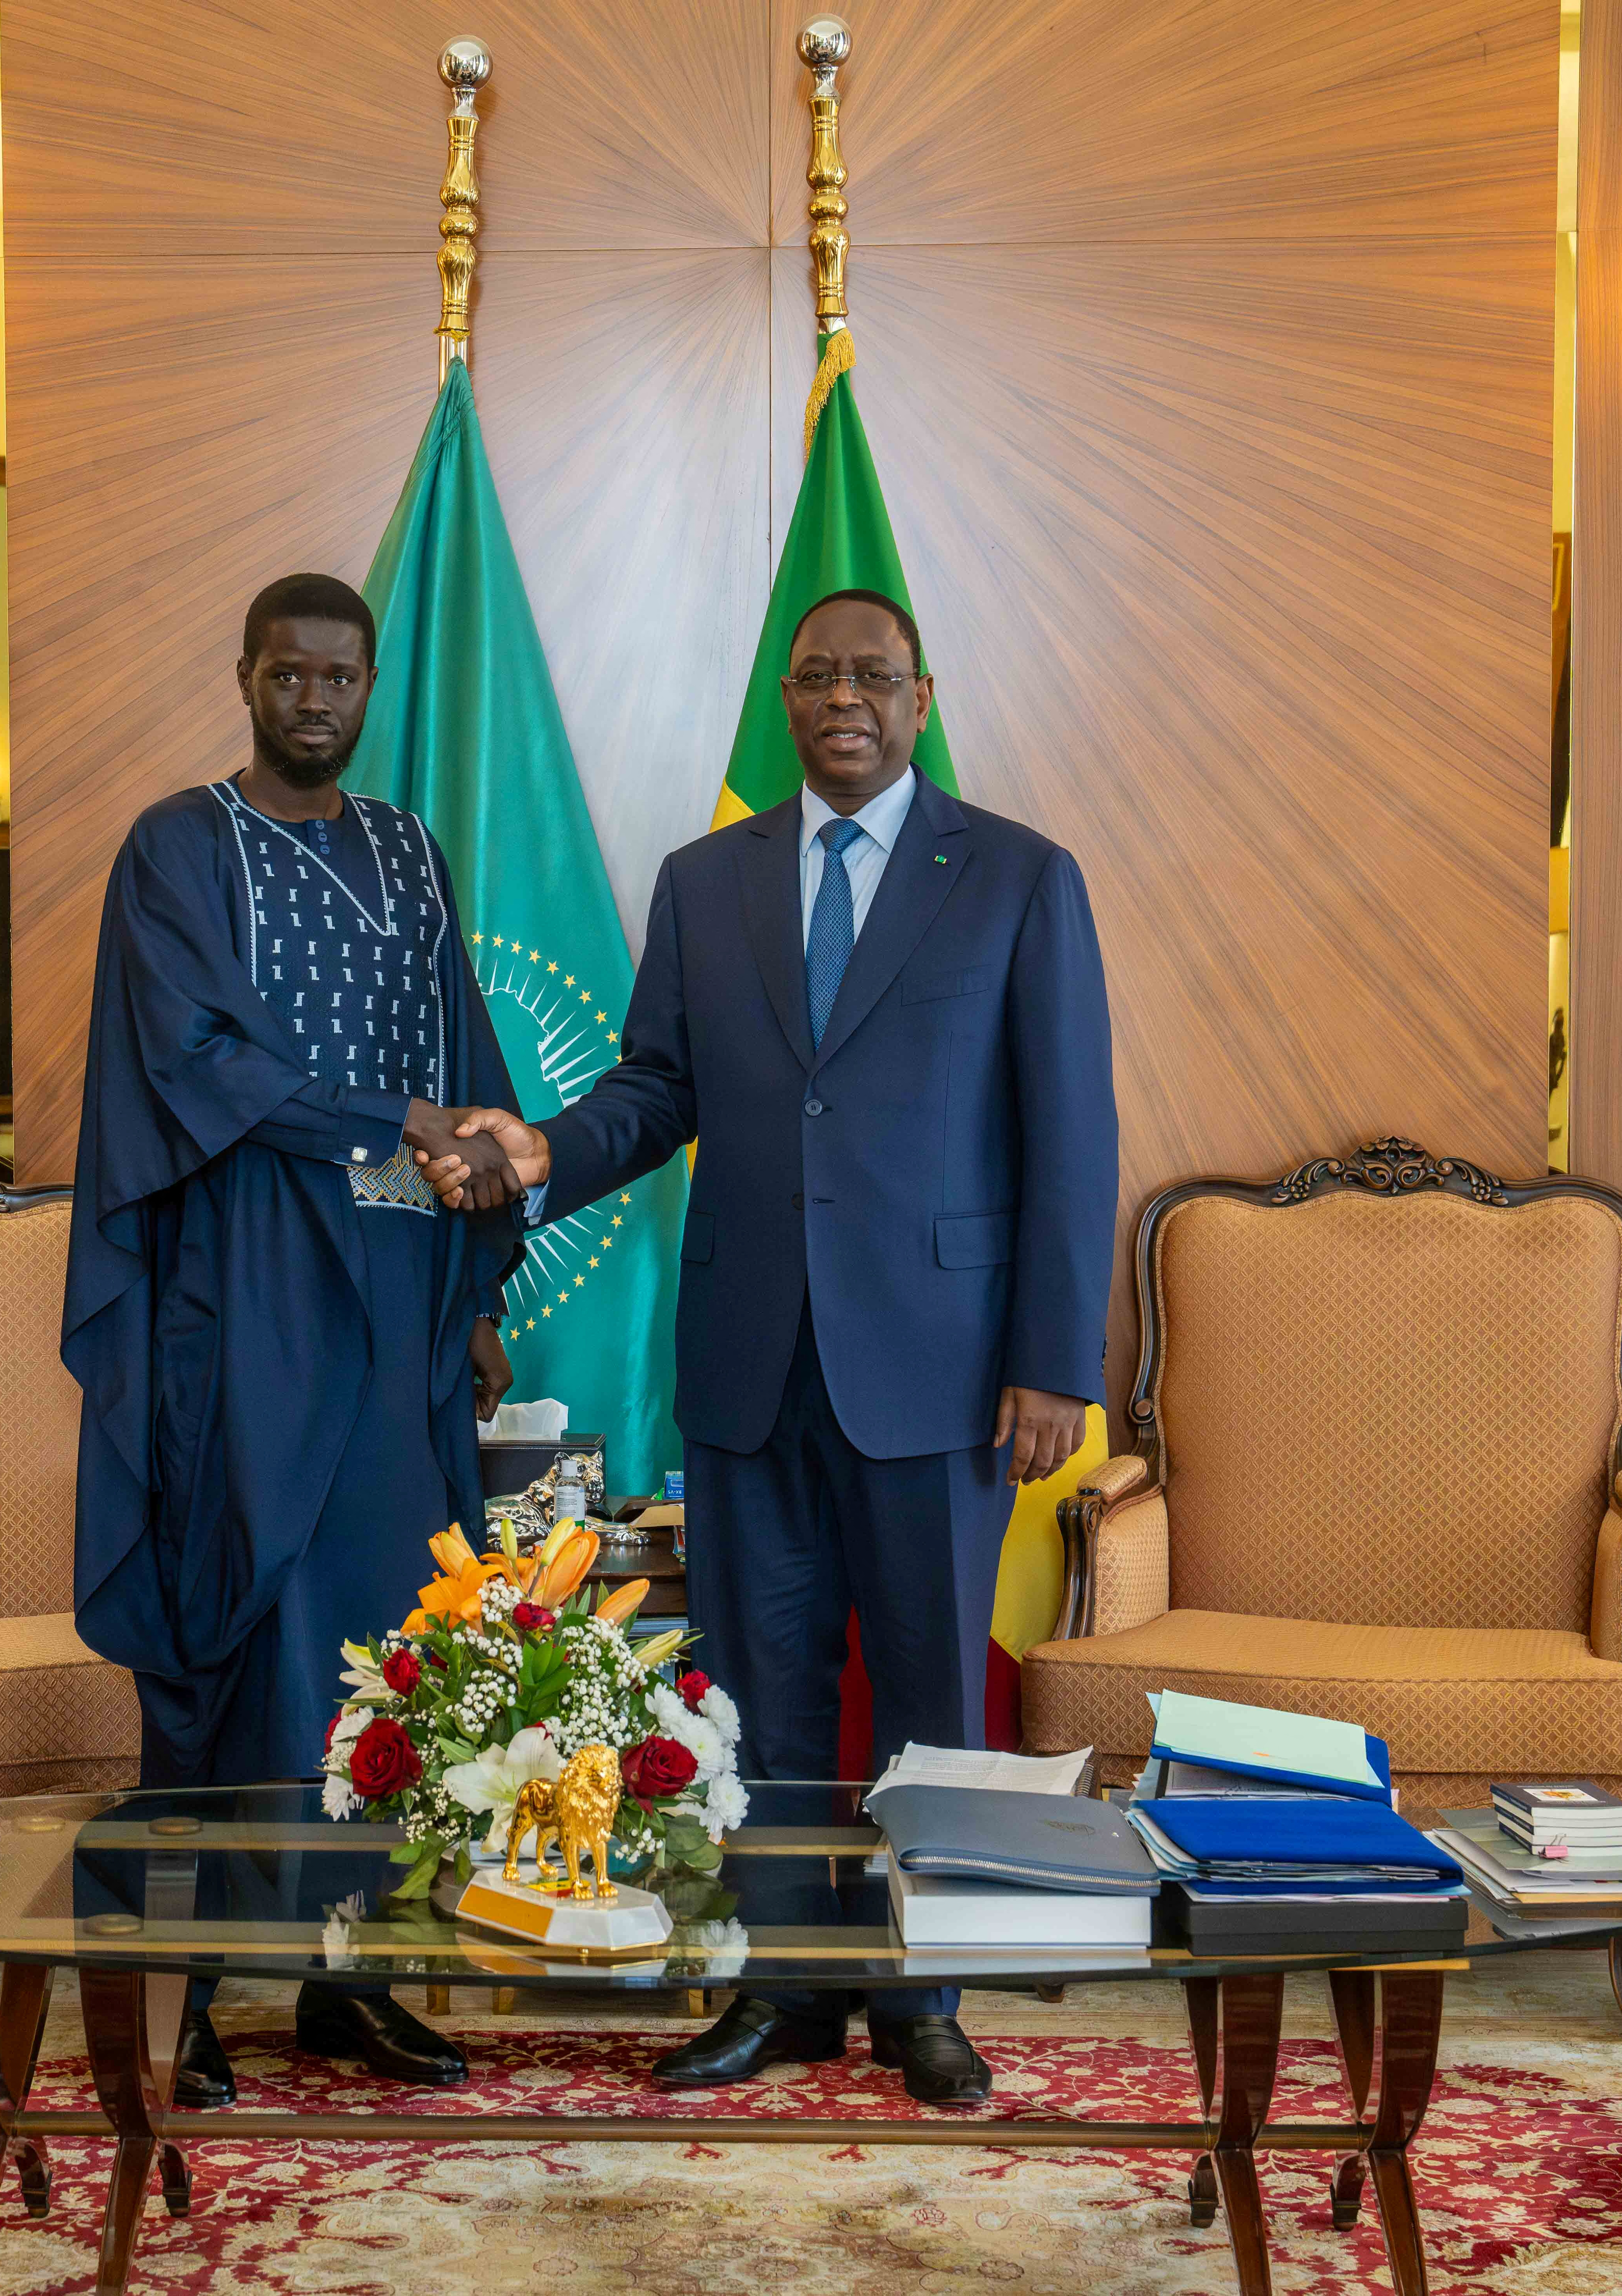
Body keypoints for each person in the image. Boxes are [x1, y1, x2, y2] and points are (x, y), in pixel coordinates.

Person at [423, 587, 1117, 2108]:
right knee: (762, 1693)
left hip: (940, 1368)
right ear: (785, 702)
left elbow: (1069, 1130)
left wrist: (1055, 1357)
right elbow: (655, 1090)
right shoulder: (705, 880)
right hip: (749, 1359)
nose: (846, 696)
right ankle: (783, 1993)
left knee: (933, 1695)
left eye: (875, 674)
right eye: (819, 677)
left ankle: (923, 1999)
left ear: (921, 698)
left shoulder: (1015, 877)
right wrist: (541, 1151)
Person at [63, 572, 526, 2107]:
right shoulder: (178, 846)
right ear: (245, 675)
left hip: (398, 1296)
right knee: (231, 1631)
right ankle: (181, 1996)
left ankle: (358, 1979)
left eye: (341, 675)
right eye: (289, 672)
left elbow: (463, 1065)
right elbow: (198, 1059)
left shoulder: (407, 847)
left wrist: (474, 1296)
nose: (315, 697)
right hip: (245, 1288)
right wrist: (395, 1116)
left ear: (369, 684)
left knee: (393, 1645)